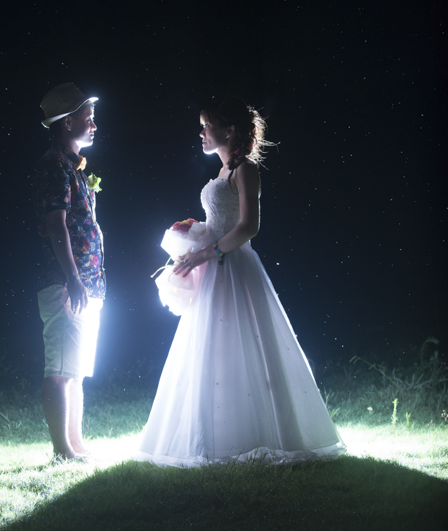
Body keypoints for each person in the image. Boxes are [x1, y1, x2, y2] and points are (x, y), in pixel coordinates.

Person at [135, 97, 345, 468]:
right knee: (213, 350)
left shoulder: (245, 169)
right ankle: (218, 436)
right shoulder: (222, 172)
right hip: (214, 263)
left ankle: (267, 434)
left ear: (229, 130)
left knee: (248, 345)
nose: (201, 133)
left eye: (207, 125)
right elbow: (221, 220)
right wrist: (193, 237)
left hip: (233, 265)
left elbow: (248, 226)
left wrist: (208, 251)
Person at [32, 82, 105, 460]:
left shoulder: (73, 165)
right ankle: (62, 449)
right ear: (67, 123)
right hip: (65, 283)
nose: (94, 125)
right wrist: (73, 279)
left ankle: (75, 443)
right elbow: (56, 224)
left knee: (75, 369)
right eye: (87, 118)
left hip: (86, 282)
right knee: (60, 367)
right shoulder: (55, 164)